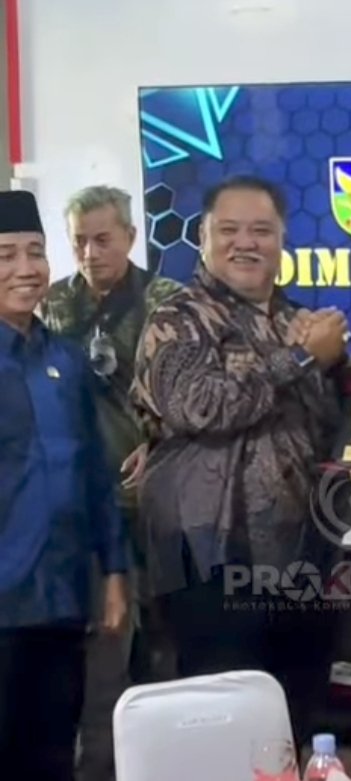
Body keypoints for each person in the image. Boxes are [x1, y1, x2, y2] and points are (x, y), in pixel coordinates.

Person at [130, 174, 351, 750]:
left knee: (296, 722)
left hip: (302, 557)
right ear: (202, 238)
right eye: (228, 230)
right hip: (211, 560)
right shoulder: (178, 318)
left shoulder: (297, 320)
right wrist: (300, 357)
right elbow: (200, 407)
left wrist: (336, 364)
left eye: (261, 230)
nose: (245, 242)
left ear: (282, 240)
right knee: (222, 729)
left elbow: (331, 430)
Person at [37, 185, 183, 780]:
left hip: (157, 503)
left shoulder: (165, 301)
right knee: (101, 650)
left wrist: (161, 442)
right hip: (84, 507)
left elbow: (191, 396)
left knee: (164, 643)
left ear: (129, 236)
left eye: (103, 239)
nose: (91, 253)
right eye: (79, 242)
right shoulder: (52, 304)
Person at [0, 189, 128, 780]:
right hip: (4, 600)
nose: (26, 269)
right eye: (6, 256)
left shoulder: (67, 361)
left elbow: (96, 474)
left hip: (63, 597)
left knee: (54, 754)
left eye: (35, 252)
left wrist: (115, 573)